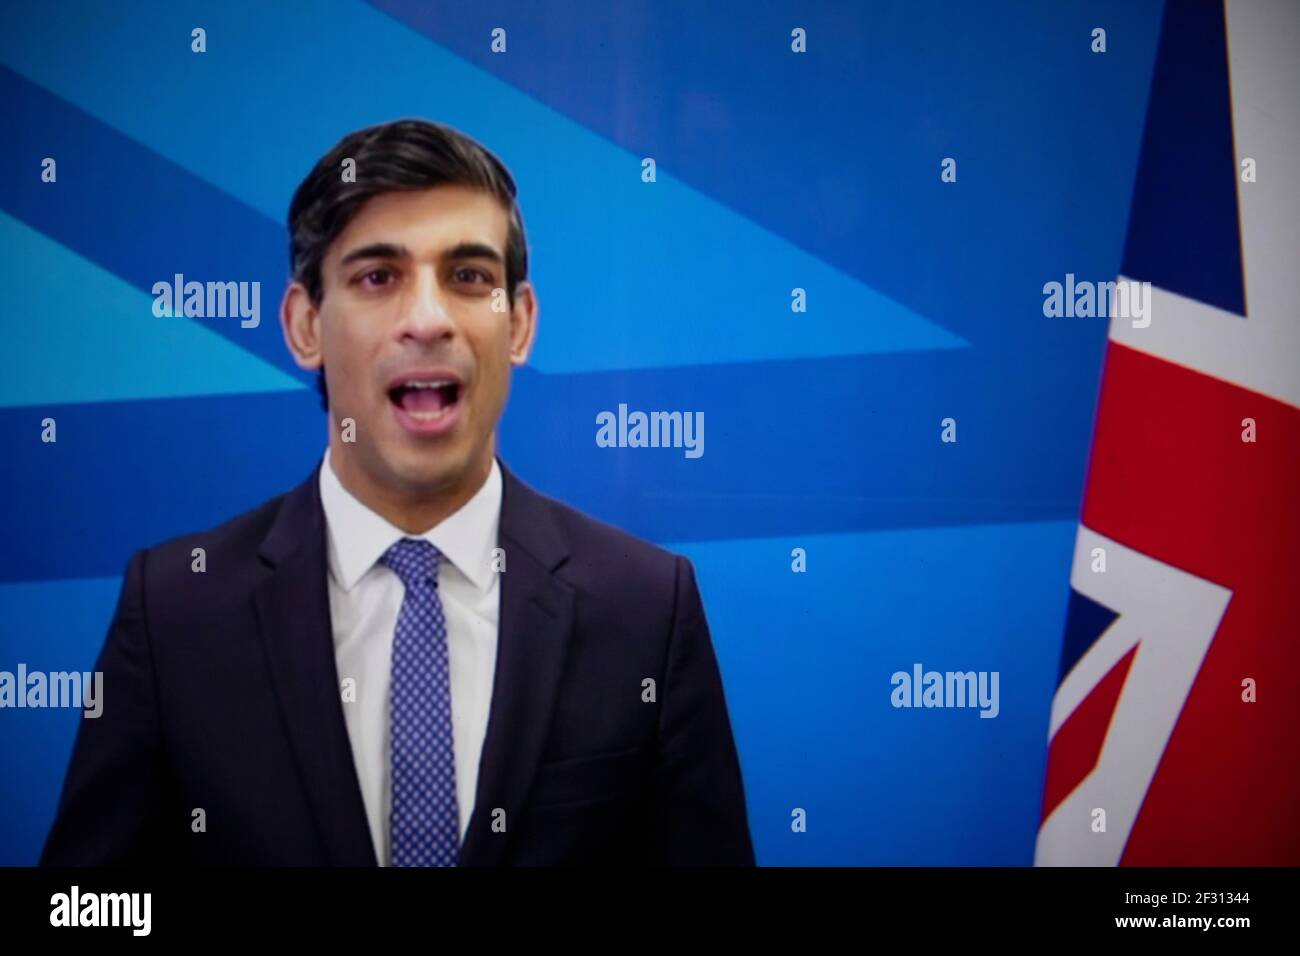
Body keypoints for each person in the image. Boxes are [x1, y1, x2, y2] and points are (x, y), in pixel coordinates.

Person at [40, 119, 754, 866]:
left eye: (469, 277)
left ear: (521, 324)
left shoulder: (646, 608)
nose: (428, 320)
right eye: (379, 277)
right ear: (304, 324)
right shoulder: (174, 612)